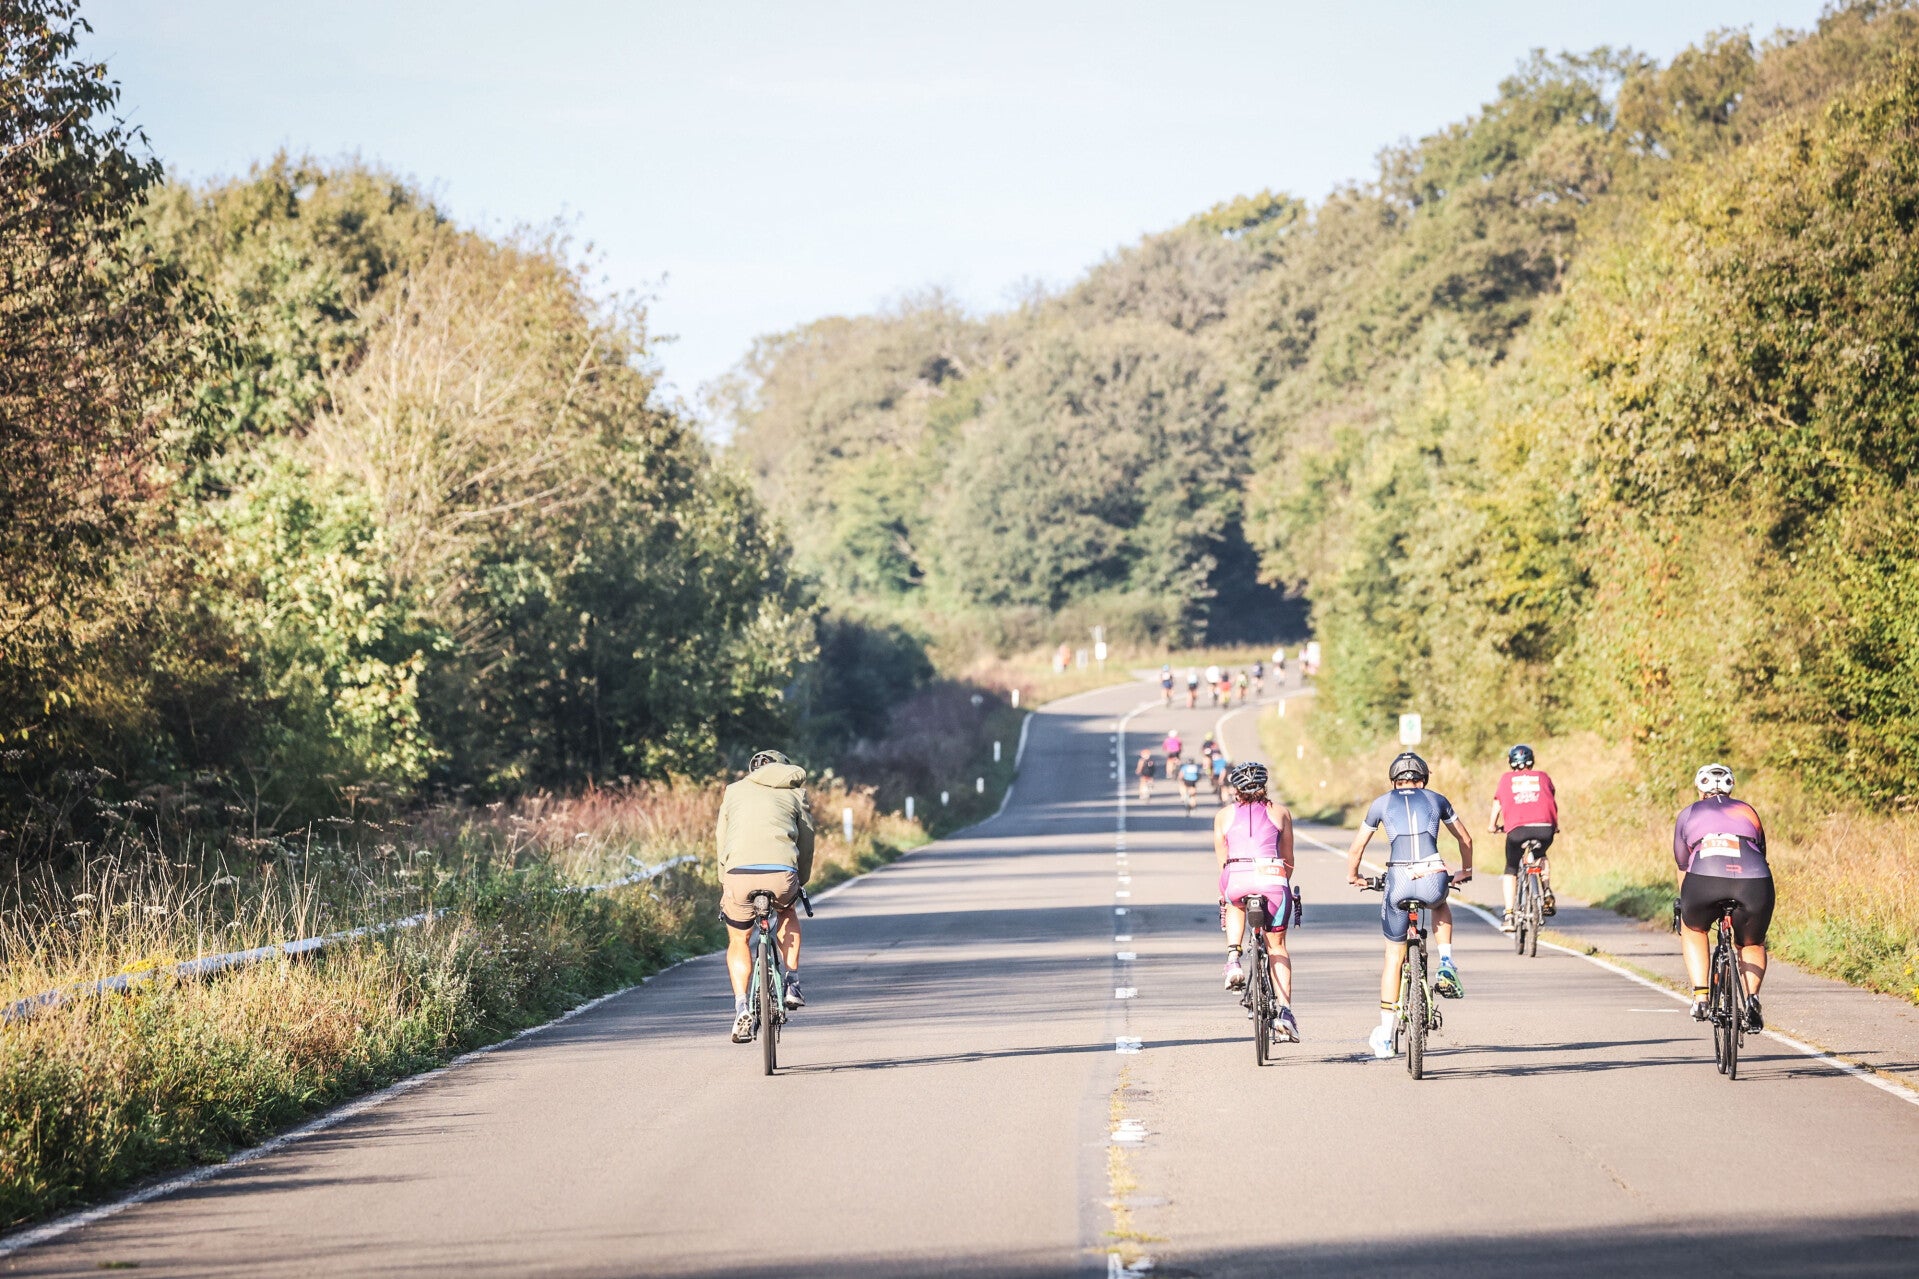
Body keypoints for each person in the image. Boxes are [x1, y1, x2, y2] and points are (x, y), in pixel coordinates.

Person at [1345, 751, 1474, 1059]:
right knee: (1440, 902)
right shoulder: (1437, 799)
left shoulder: (1381, 803)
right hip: (1432, 873)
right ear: (1424, 778)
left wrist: (1355, 876)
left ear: (1394, 780)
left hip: (1398, 876)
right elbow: (1465, 839)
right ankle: (1446, 963)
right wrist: (1466, 870)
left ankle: (1387, 1037)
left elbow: (1357, 847)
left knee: (1393, 955)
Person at [716, 749, 816, 1042]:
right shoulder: (796, 793)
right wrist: (800, 881)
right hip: (781, 874)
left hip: (738, 875)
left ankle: (741, 1007)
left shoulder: (733, 791)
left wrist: (726, 880)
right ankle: (792, 983)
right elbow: (807, 841)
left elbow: (722, 839)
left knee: (738, 939)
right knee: (787, 912)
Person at [1674, 764, 1774, 1030]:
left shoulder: (1689, 813)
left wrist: (1686, 906)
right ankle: (1752, 999)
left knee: (1693, 928)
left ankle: (1701, 997)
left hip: (1704, 879)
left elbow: (1683, 866)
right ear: (1732, 786)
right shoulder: (1748, 811)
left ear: (1699, 788)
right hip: (1754, 881)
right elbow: (1761, 853)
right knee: (1752, 942)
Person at [1216, 762, 1299, 1041]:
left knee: (1233, 900)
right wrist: (1278, 881)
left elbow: (1223, 863)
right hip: (1272, 878)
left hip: (1237, 875)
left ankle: (1233, 959)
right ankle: (1285, 1012)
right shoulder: (1281, 813)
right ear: (1265, 786)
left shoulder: (1223, 815)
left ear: (1236, 789)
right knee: (1278, 946)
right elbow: (1288, 861)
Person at [1489, 743, 1558, 931]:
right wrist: (1554, 826)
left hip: (1518, 830)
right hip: (1545, 828)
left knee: (1511, 868)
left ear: (1511, 762)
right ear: (1532, 761)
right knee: (1540, 854)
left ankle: (1510, 915)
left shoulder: (1506, 779)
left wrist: (1492, 826)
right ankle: (1546, 891)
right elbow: (1549, 799)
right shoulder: (1543, 777)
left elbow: (1498, 803)